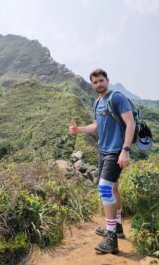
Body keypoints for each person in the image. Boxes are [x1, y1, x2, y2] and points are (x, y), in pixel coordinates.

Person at [69, 69, 135, 254]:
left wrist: (125, 150)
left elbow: (130, 123)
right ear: (92, 85)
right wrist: (79, 130)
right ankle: (118, 227)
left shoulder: (117, 98)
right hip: (103, 151)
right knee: (113, 188)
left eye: (101, 80)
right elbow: (97, 125)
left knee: (104, 188)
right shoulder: (97, 102)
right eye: (95, 82)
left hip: (116, 151)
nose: (99, 84)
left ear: (107, 80)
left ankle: (111, 239)